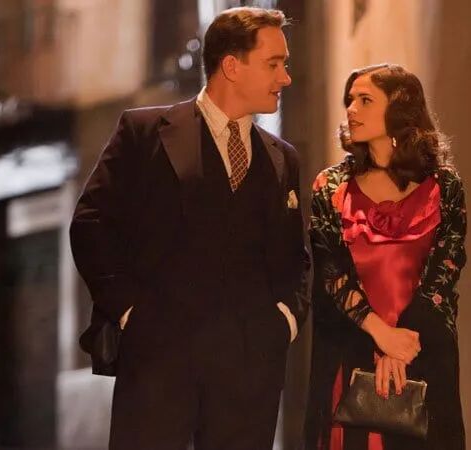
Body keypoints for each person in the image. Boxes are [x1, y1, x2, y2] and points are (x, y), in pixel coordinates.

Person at [69, 7, 310, 450]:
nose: (286, 78)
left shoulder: (282, 158)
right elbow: (91, 224)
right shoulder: (144, 132)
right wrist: (130, 312)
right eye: (274, 64)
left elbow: (295, 257)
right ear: (232, 66)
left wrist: (286, 322)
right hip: (158, 362)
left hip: (250, 371)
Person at [304, 64, 467, 450]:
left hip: (423, 349)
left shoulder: (444, 185)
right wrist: (381, 334)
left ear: (399, 108)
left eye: (365, 100)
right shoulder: (330, 186)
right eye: (349, 101)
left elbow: (446, 270)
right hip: (350, 349)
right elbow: (331, 271)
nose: (351, 109)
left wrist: (400, 345)